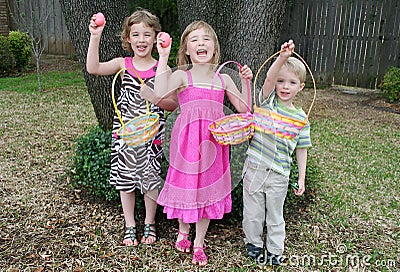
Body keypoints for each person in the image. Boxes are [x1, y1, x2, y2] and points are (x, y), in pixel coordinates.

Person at [152, 20, 253, 266]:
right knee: (187, 185)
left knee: (207, 188)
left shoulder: (224, 80)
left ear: (214, 48)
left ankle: (199, 241)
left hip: (213, 145)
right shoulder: (181, 76)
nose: (201, 43)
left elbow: (245, 110)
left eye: (206, 39)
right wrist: (163, 57)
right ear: (186, 49)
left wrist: (246, 82)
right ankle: (183, 231)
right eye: (194, 39)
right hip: (186, 144)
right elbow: (159, 94)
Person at [86, 9, 177, 247]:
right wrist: (95, 36)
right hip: (126, 135)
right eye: (135, 34)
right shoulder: (122, 64)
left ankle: (150, 222)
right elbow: (93, 68)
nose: (141, 40)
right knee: (125, 179)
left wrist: (154, 97)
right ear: (128, 38)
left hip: (151, 136)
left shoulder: (162, 68)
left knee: (150, 178)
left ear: (156, 38)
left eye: (147, 34)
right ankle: (129, 224)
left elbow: (172, 104)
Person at [242, 40, 312, 265]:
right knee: (252, 213)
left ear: (300, 87)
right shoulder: (266, 102)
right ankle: (253, 243)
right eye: (281, 81)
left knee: (275, 215)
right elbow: (269, 78)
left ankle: (274, 249)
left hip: (280, 174)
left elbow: (301, 148)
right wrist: (282, 58)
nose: (284, 86)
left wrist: (301, 177)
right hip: (255, 168)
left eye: (291, 82)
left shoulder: (301, 118)